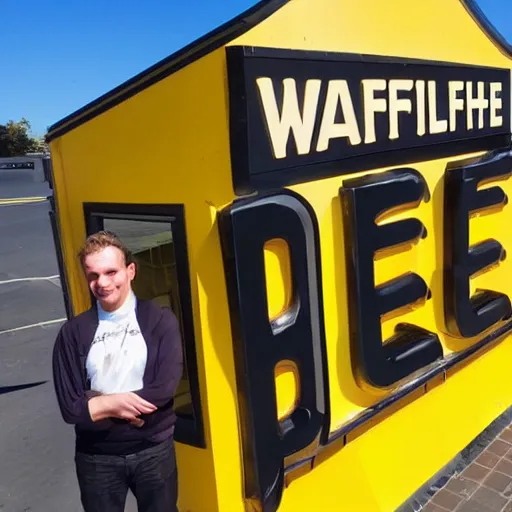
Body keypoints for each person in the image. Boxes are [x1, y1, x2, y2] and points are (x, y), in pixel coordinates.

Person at [52, 230, 183, 512]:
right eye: (93, 275)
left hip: (153, 453)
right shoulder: (72, 333)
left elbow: (163, 389)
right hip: (98, 459)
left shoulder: (160, 321)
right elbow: (70, 409)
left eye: (112, 272)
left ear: (130, 271)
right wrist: (116, 405)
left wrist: (99, 403)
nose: (103, 283)